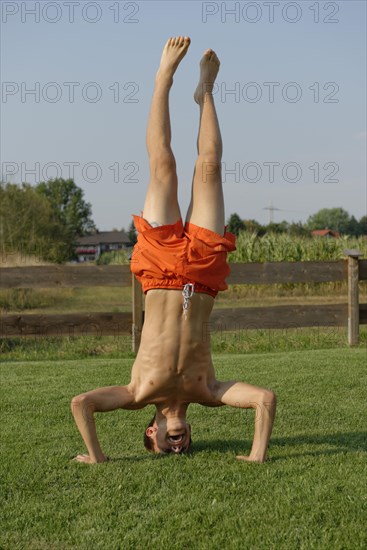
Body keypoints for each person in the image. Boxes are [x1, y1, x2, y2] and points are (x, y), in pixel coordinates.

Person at [71, 37, 276, 463]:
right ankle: (205, 93)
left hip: (161, 267)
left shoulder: (137, 392)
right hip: (201, 273)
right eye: (181, 446)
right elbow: (265, 399)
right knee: (210, 166)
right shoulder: (208, 391)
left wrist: (97, 456)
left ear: (152, 429)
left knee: (163, 165)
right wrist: (257, 455)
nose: (177, 444)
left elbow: (81, 403)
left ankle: (162, 79)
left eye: (163, 443)